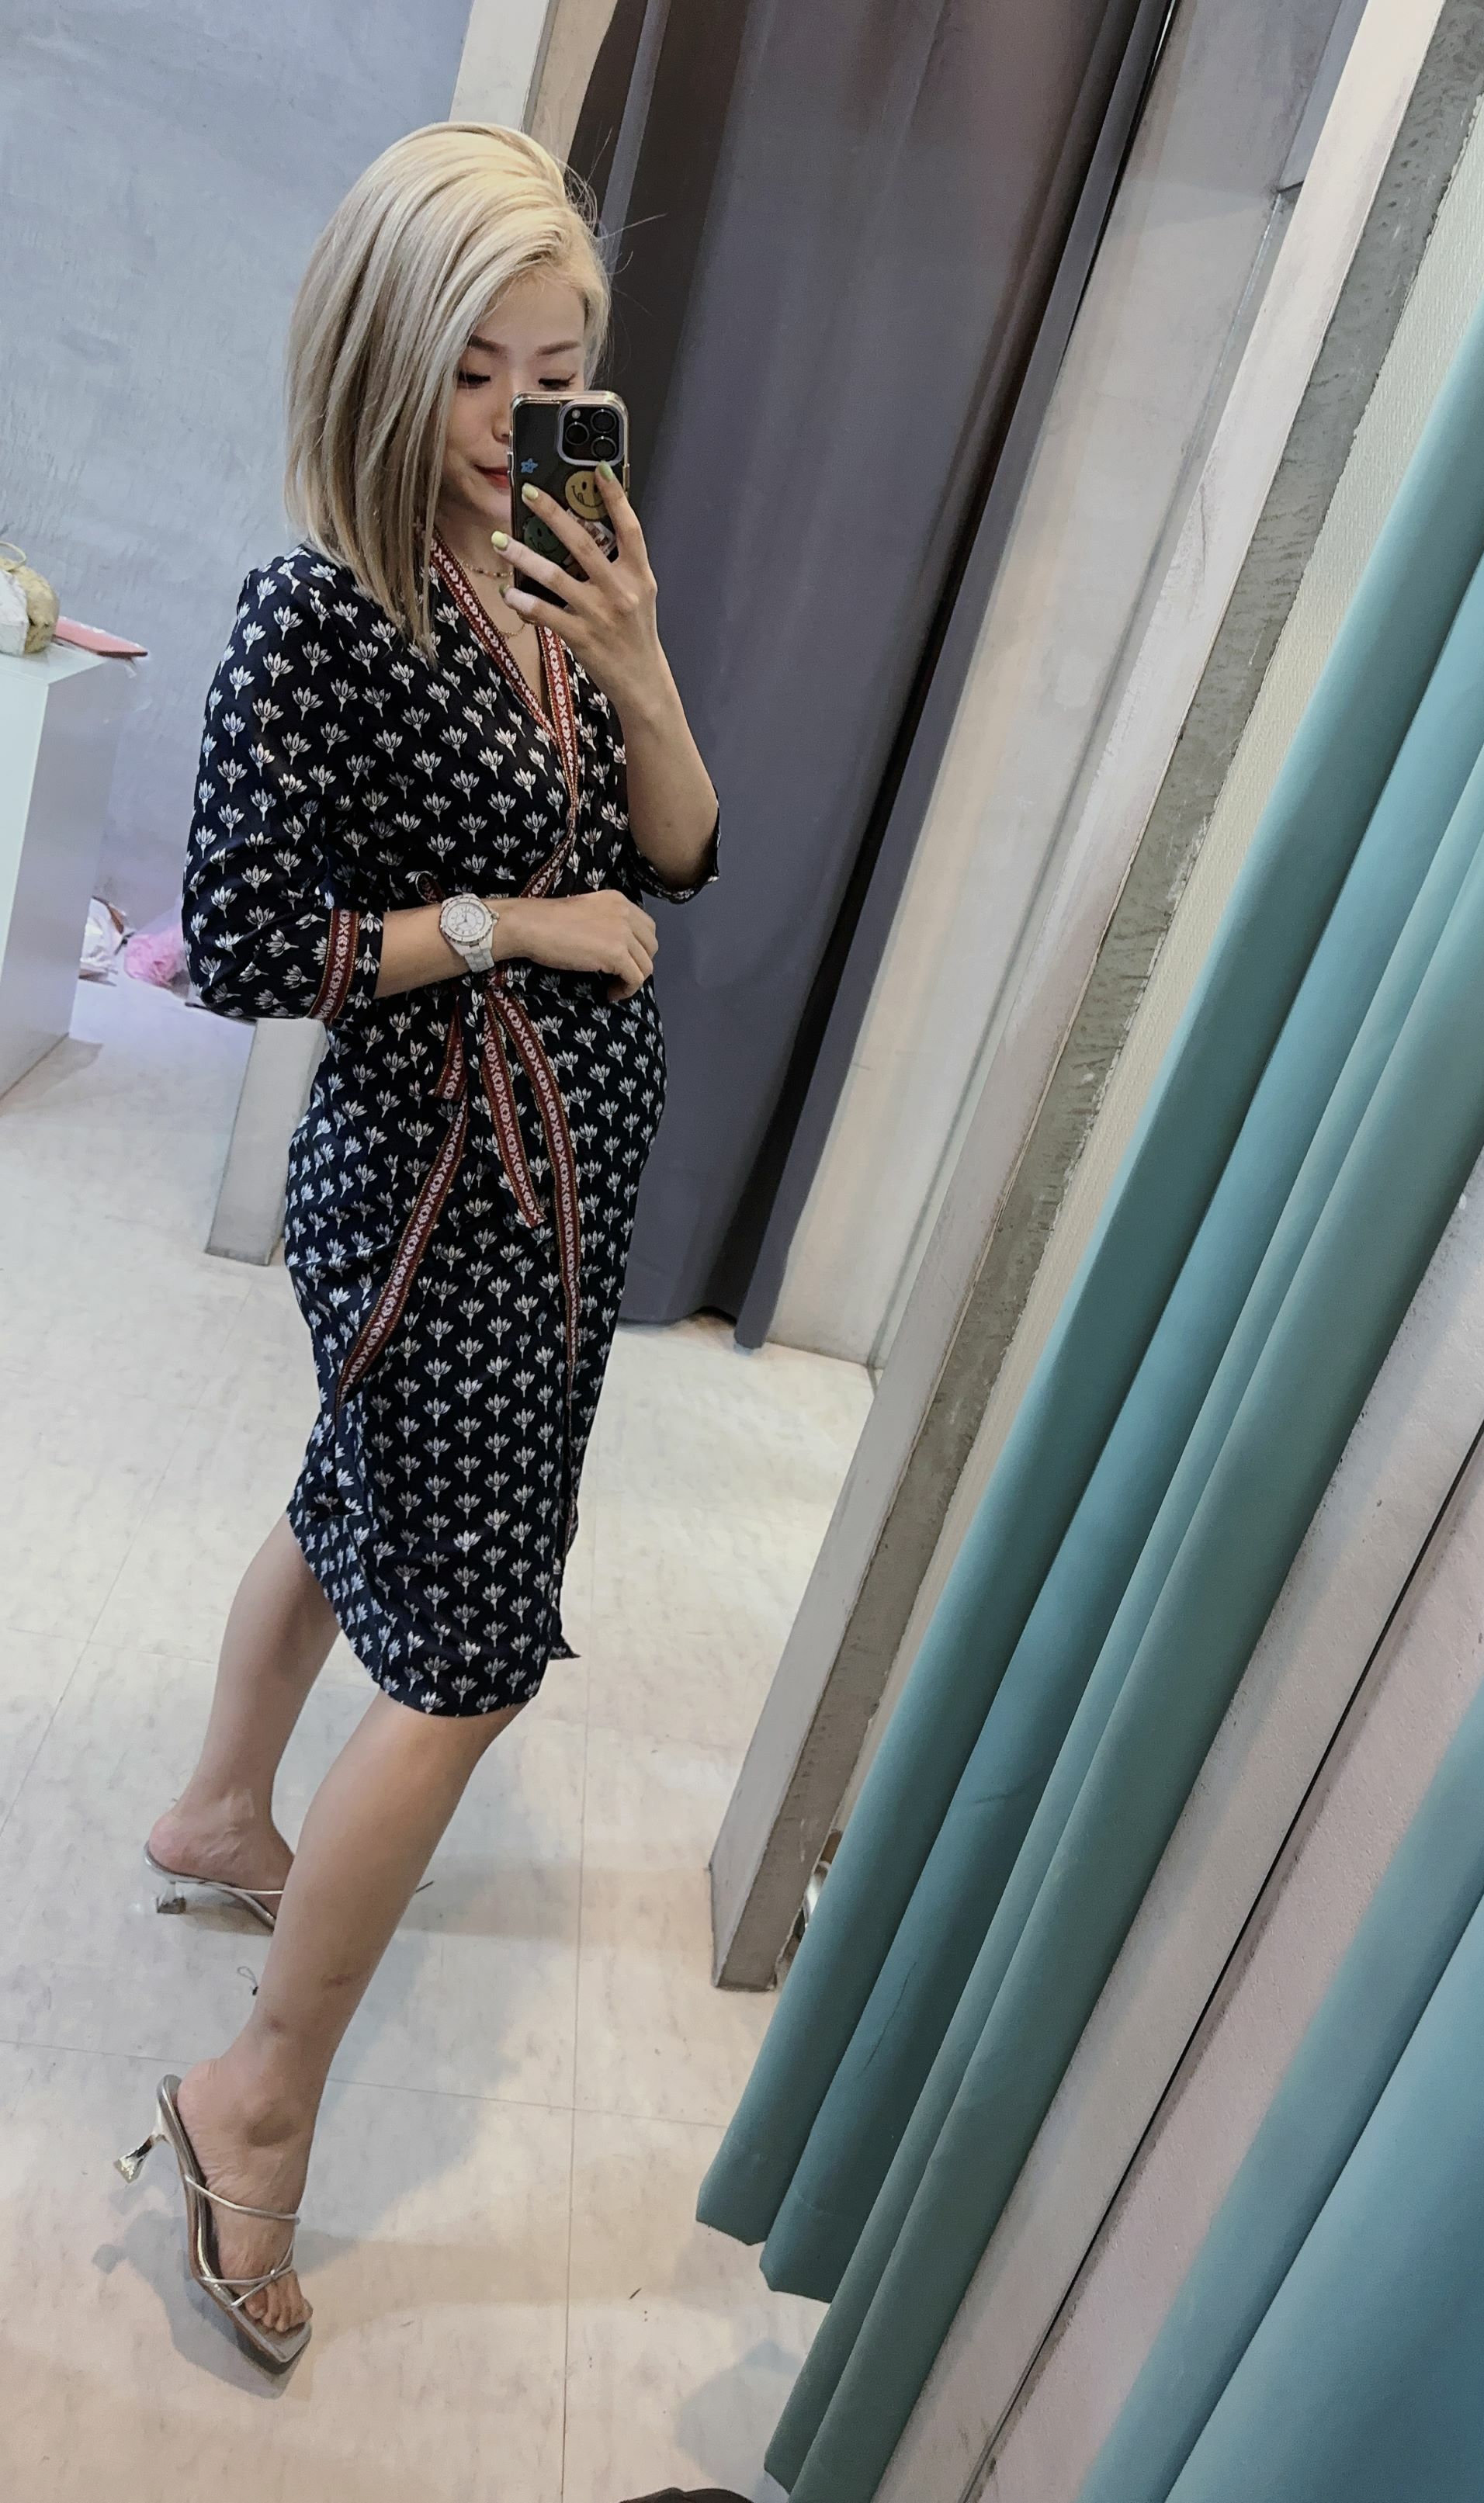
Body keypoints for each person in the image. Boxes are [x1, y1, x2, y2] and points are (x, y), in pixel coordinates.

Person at [114, 123, 719, 2370]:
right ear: (381, 355)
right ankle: (255, 2098)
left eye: (553, 375)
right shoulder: (320, 611)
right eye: (473, 372)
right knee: (463, 1666)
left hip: (560, 1190)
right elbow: (244, 944)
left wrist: (641, 665)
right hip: (434, 1193)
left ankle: (215, 1805)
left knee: (349, 1485)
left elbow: (686, 854)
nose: (511, 421)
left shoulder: (564, 570)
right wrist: (516, 926)